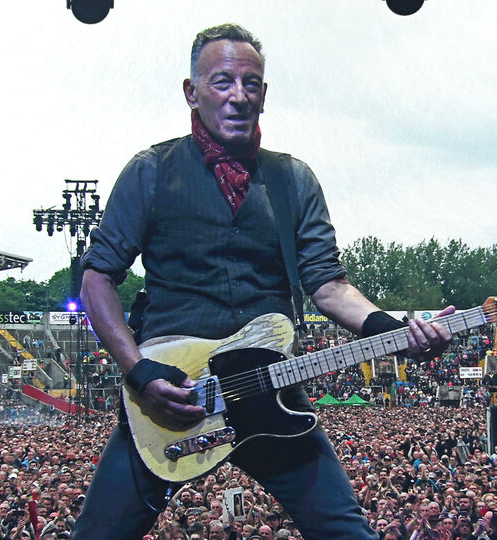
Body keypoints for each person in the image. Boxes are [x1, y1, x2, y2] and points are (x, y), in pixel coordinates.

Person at [73, 22, 453, 540]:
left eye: (251, 83)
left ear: (265, 94)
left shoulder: (292, 179)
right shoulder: (152, 171)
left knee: (346, 533)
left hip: (271, 392)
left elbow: (328, 286)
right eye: (222, 81)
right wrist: (139, 371)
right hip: (175, 395)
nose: (239, 95)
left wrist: (394, 330)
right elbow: (96, 278)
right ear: (191, 92)